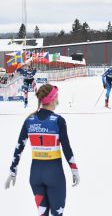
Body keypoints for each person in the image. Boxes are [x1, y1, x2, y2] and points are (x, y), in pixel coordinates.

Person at [4, 84, 80, 216]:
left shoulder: (29, 120)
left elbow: (19, 148)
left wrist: (12, 171)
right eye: (57, 96)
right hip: (54, 175)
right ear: (53, 99)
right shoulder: (58, 121)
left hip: (35, 176)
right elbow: (67, 148)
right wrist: (74, 170)